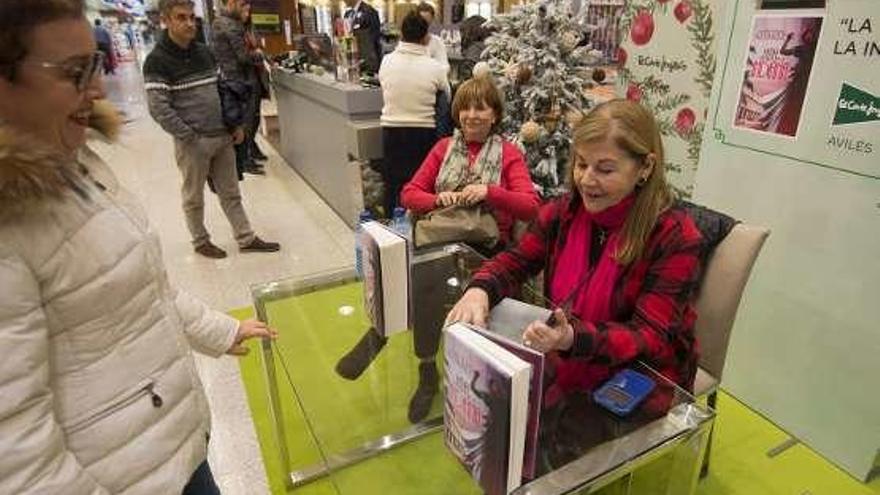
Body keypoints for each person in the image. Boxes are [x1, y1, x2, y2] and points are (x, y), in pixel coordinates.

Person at [0, 0, 277, 492]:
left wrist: (220, 330)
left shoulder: (75, 166)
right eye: (74, 71)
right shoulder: (13, 225)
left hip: (169, 449)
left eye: (97, 65)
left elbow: (144, 289)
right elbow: (18, 457)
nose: (98, 88)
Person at [447, 99, 703, 405]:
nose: (586, 179)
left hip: (640, 375)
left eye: (605, 169)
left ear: (645, 167)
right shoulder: (564, 212)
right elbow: (517, 260)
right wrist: (480, 289)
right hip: (567, 350)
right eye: (581, 163)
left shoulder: (674, 236)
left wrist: (572, 338)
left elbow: (648, 336)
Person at [144, 0, 280, 258]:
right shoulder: (157, 61)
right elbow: (158, 108)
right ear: (166, 20)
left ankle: (246, 237)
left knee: (231, 192)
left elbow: (222, 89)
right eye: (181, 17)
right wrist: (188, 136)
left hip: (223, 136)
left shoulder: (204, 53)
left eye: (191, 17)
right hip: (192, 142)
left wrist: (235, 124)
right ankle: (200, 240)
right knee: (193, 196)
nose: (189, 23)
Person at [401, 75, 540, 249]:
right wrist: (437, 199)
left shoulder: (509, 153)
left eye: (480, 109)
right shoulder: (443, 148)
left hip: (489, 246)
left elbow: (530, 206)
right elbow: (409, 195)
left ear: (494, 116)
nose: (471, 115)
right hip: (440, 238)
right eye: (465, 108)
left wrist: (489, 193)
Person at [378, 11, 450, 217]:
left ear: (401, 34)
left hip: (391, 130)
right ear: (426, 37)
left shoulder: (386, 61)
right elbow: (447, 95)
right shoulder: (435, 67)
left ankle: (392, 229)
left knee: (393, 183)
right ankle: (419, 227)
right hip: (423, 133)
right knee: (420, 185)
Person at [212, 0, 264, 175]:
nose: (247, 10)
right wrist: (258, 55)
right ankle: (246, 157)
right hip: (241, 80)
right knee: (248, 119)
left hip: (233, 79)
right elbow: (243, 57)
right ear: (232, 3)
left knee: (250, 118)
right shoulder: (231, 25)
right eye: (243, 5)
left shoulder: (220, 22)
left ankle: (251, 149)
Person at [343, 0, 382, 74]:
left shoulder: (369, 12)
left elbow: (375, 38)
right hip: (352, 59)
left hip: (368, 62)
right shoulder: (348, 14)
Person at [416, 2, 449, 73]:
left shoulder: (437, 41)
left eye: (426, 22)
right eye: (422, 21)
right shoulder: (408, 40)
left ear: (432, 20)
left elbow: (445, 67)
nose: (423, 25)